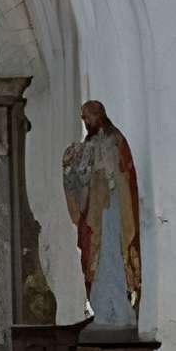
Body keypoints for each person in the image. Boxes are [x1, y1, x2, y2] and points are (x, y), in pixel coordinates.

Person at [62, 99, 141, 329]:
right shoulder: (87, 146)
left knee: (113, 255)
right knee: (95, 258)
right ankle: (103, 310)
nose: (85, 122)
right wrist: (69, 168)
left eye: (88, 117)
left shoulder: (116, 141)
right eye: (83, 118)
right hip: (95, 212)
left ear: (99, 115)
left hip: (112, 210)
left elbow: (126, 176)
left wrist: (109, 180)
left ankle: (121, 310)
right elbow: (79, 178)